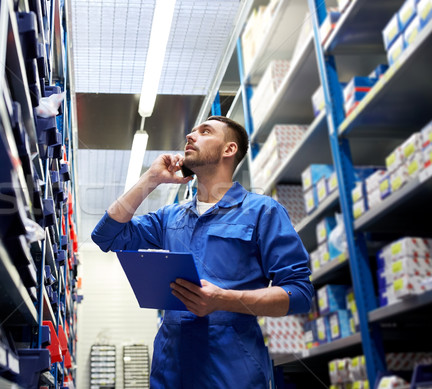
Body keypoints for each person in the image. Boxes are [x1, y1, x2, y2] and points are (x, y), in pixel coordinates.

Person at [91, 116, 314, 388]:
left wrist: (224, 299)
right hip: (169, 371)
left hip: (231, 373)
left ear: (228, 150)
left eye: (205, 131)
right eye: (192, 131)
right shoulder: (170, 217)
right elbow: (105, 236)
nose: (190, 136)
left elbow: (299, 293)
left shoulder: (262, 211)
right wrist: (151, 179)